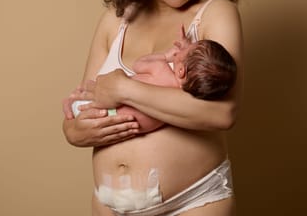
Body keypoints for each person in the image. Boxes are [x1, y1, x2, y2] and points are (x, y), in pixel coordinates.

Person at [62, 0, 244, 216]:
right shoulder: (117, 20)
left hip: (192, 205)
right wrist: (73, 131)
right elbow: (87, 100)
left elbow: (222, 113)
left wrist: (125, 87)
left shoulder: (214, 14)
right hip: (112, 210)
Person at [68, 23, 237, 134]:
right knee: (80, 105)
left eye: (188, 48)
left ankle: (72, 106)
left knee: (78, 103)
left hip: (107, 115)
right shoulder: (181, 100)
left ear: (181, 71)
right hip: (114, 123)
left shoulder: (161, 69)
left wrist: (165, 56)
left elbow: (138, 65)